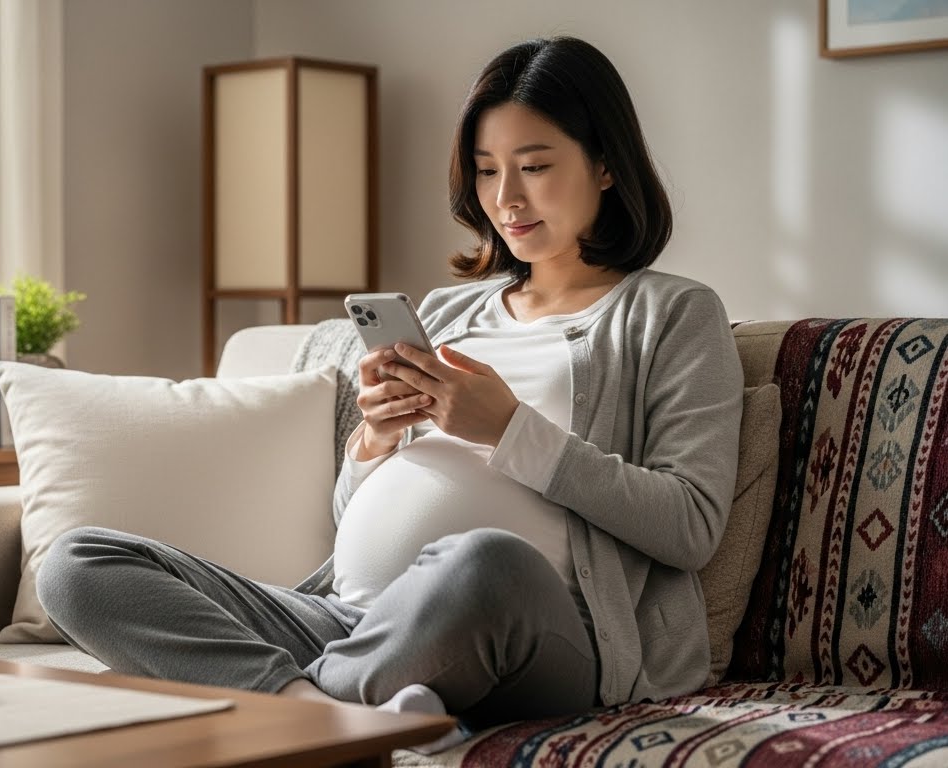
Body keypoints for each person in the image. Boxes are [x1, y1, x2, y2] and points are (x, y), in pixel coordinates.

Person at [37, 36, 743, 753]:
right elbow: (351, 519)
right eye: (485, 170)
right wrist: (372, 444)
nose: (505, 198)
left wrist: (507, 430)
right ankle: (314, 708)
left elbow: (688, 524)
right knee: (77, 562)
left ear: (604, 167)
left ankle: (296, 702)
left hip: (534, 625)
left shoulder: (671, 314)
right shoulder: (445, 312)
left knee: (479, 561)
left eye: (533, 167)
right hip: (349, 617)